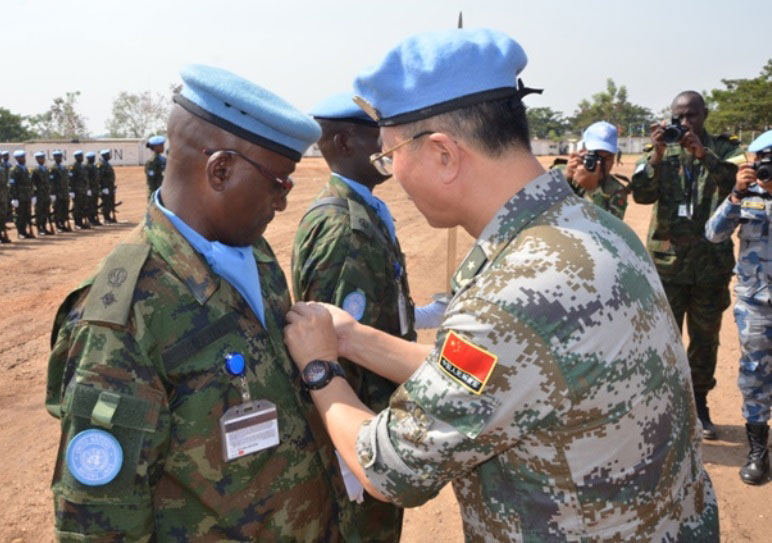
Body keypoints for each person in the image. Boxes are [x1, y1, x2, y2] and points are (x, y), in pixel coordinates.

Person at [282, 28, 718, 541]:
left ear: (443, 155)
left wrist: (319, 368)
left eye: (388, 155)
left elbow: (390, 469)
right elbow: (503, 373)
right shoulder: (590, 227)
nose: (392, 173)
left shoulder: (517, 291)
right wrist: (353, 338)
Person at [46, 63, 349, 541]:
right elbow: (101, 521)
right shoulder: (123, 316)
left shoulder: (257, 255)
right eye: (279, 183)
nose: (284, 202)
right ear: (221, 170)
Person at [291, 92, 414, 542]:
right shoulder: (345, 227)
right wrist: (350, 456)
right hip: (360, 429)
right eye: (377, 137)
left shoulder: (363, 211)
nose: (388, 147)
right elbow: (333, 347)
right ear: (343, 143)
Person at [631, 90, 743, 439]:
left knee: (704, 339)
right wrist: (657, 155)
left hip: (710, 265)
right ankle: (663, 408)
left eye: (691, 115)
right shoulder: (660, 149)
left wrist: (702, 153)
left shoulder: (725, 150)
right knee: (662, 339)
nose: (684, 123)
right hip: (667, 265)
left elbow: (734, 182)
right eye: (678, 116)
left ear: (704, 115)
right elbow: (641, 194)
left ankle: (700, 404)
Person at [705, 130, 772, 485]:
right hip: (755, 302)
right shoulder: (745, 195)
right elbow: (713, 234)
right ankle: (758, 451)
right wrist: (736, 194)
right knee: (755, 375)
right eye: (764, 161)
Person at [553, 121, 629, 220]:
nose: (599, 163)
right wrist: (566, 180)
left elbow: (608, 230)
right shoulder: (560, 172)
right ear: (582, 152)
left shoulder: (616, 190)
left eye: (606, 158)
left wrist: (592, 191)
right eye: (595, 156)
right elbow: (540, 211)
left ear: (614, 158)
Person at [9, 150, 35, 239]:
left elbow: (30, 183)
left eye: (23, 157)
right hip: (19, 196)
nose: (23, 159)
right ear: (16, 158)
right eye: (21, 157)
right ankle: (20, 232)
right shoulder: (14, 170)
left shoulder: (25, 169)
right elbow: (12, 185)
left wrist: (32, 194)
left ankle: (24, 231)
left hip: (27, 196)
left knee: (26, 214)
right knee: (19, 215)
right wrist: (14, 198)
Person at [31, 151, 53, 236]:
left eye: (43, 158)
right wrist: (33, 195)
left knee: (46, 211)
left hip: (46, 194)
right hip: (39, 194)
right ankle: (39, 228)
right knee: (39, 212)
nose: (42, 160)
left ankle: (44, 227)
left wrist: (50, 192)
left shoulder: (46, 169)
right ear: (37, 159)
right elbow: (31, 183)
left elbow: (49, 182)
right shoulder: (35, 170)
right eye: (40, 158)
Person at [68, 150, 90, 230]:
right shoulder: (73, 167)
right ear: (76, 157)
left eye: (82, 156)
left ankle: (81, 222)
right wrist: (71, 191)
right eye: (79, 156)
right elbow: (71, 179)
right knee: (77, 207)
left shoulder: (82, 166)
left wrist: (87, 188)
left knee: (83, 206)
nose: (81, 158)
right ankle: (77, 223)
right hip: (77, 190)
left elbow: (86, 179)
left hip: (83, 190)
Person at [49, 150, 70, 232]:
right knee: (58, 209)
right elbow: (51, 182)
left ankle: (62, 223)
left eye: (60, 156)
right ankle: (58, 225)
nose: (59, 158)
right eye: (57, 156)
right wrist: (52, 193)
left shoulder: (63, 168)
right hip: (57, 192)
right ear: (54, 158)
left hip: (64, 192)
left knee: (65, 208)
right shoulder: (53, 169)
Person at [97, 149, 117, 223]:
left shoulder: (107, 164)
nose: (109, 156)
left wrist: (113, 186)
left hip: (110, 186)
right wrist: (103, 187)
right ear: (105, 156)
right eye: (108, 155)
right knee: (106, 202)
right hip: (105, 187)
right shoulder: (101, 165)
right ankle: (106, 217)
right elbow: (100, 177)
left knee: (110, 201)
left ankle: (109, 217)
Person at [145, 135, 166, 201]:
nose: (163, 147)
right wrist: (154, 196)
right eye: (161, 145)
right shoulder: (152, 162)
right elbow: (151, 181)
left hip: (163, 191)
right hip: (156, 193)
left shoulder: (163, 159)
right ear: (155, 147)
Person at [85, 151, 101, 225]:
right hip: (90, 188)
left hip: (95, 188)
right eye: (92, 158)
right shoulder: (86, 167)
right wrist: (87, 189)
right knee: (90, 204)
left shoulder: (94, 166)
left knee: (94, 204)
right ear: (88, 159)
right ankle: (90, 219)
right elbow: (86, 179)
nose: (93, 159)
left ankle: (94, 218)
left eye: (94, 158)